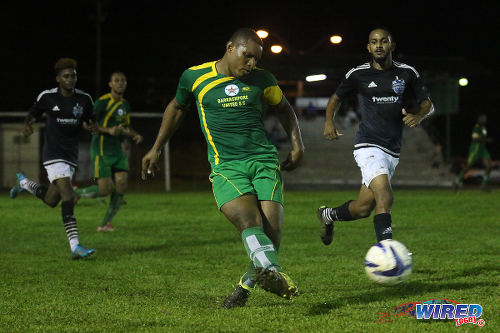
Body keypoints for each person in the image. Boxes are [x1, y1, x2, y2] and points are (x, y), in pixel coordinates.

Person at [141, 28, 305, 308]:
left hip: (264, 162)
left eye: (256, 58)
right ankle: (275, 275)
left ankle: (244, 287)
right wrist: (156, 147)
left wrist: (297, 144)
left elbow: (284, 108)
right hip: (226, 166)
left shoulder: (263, 80)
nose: (251, 63)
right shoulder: (194, 77)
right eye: (247, 56)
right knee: (248, 222)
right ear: (230, 48)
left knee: (271, 237)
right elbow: (177, 108)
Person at [317, 28, 434, 245]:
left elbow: (427, 103)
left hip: (392, 149)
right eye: (374, 42)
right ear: (368, 47)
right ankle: (387, 253)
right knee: (385, 196)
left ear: (392, 45)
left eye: (383, 41)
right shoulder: (358, 73)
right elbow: (335, 99)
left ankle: (328, 215)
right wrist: (328, 122)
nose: (379, 45)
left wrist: (418, 116)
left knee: (363, 208)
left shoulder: (407, 72)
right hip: (368, 145)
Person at [9, 58, 96, 259]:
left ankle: (23, 182)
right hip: (53, 154)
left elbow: (89, 120)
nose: (70, 79)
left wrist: (90, 126)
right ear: (58, 78)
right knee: (69, 196)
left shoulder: (85, 99)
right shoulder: (48, 97)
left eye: (73, 75)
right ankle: (75, 246)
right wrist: (27, 124)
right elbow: (32, 114)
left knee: (51, 200)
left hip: (70, 155)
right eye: (66, 76)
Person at [74, 71, 143, 231]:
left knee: (121, 185)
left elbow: (125, 126)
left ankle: (105, 223)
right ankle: (77, 193)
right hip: (101, 149)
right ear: (110, 84)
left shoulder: (125, 105)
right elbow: (86, 124)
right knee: (104, 190)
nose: (120, 83)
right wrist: (108, 131)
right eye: (116, 80)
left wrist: (134, 135)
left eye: (123, 81)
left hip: (117, 151)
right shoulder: (102, 102)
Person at [453, 113, 492, 191]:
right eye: (482, 118)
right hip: (475, 149)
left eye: (485, 118)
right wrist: (486, 140)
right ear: (479, 120)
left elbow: (482, 137)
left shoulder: (484, 128)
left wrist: (485, 140)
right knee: (468, 166)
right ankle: (457, 181)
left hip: (482, 149)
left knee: (489, 166)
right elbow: (474, 139)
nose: (484, 120)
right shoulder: (476, 127)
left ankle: (483, 186)